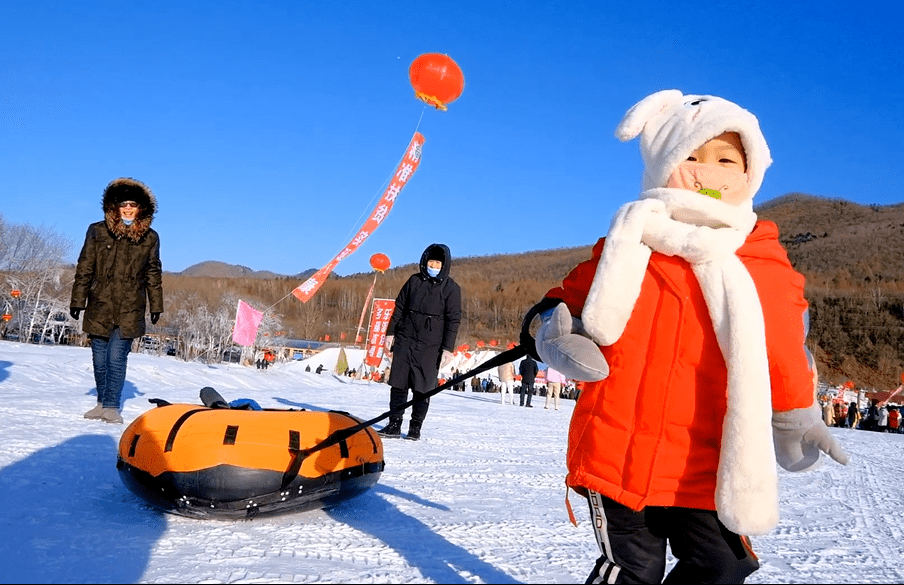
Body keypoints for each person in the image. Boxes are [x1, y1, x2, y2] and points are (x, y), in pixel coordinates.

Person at [527, 91, 848, 583]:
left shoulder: (763, 260)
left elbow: (784, 348)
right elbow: (565, 301)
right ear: (662, 163)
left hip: (709, 461)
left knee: (724, 565)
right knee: (632, 570)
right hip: (618, 449)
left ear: (750, 173)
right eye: (691, 157)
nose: (707, 173)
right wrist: (549, 327)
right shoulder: (627, 241)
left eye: (726, 160)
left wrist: (796, 415)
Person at [71, 178, 163, 424]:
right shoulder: (97, 231)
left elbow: (153, 272)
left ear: (141, 208)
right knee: (99, 360)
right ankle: (102, 403)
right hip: (99, 305)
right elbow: (85, 266)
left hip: (130, 308)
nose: (128, 209)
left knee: (116, 357)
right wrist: (78, 300)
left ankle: (112, 406)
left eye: (133, 204)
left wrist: (156, 305)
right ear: (114, 206)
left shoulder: (150, 237)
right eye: (124, 204)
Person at [378, 243, 462, 441]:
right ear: (425, 261)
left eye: (438, 263)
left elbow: (453, 320)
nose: (433, 266)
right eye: (431, 262)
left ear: (445, 265)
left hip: (431, 345)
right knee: (399, 383)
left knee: (422, 387)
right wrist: (390, 333)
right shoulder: (414, 281)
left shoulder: (451, 288)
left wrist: (447, 348)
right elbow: (399, 307)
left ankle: (415, 427)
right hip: (405, 338)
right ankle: (394, 424)